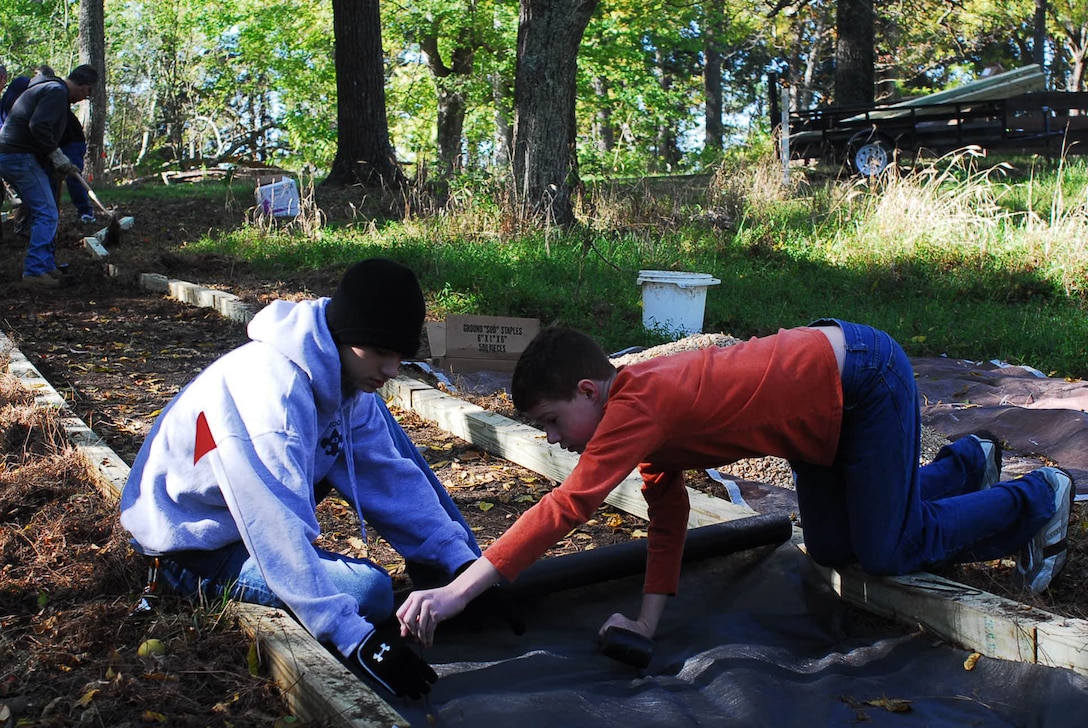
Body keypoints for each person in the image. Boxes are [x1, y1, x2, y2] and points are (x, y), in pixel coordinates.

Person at [397, 319, 1074, 653]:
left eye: (551, 421)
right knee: (838, 550)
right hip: (816, 426)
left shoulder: (638, 408)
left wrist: (459, 589)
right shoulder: (647, 433)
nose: (550, 438)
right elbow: (667, 520)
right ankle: (965, 467)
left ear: (588, 390)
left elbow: (571, 504)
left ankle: (1037, 499)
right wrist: (644, 622)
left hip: (862, 381)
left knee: (892, 548)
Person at [120, 258, 479, 699]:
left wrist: (461, 563)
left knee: (383, 426)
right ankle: (182, 580)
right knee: (370, 592)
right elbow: (275, 529)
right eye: (382, 352)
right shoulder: (273, 399)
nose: (391, 370)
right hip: (194, 541)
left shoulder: (347, 380)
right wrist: (355, 640)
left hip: (244, 517)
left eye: (400, 356)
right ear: (347, 335)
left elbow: (389, 477)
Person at [0, 64, 96, 287]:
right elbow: (39, 126)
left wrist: (56, 160)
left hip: (15, 154)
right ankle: (34, 271)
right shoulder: (56, 91)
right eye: (86, 94)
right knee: (47, 212)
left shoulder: (50, 89)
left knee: (46, 209)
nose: (83, 99)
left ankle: (45, 266)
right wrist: (55, 154)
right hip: (17, 155)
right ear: (85, 87)